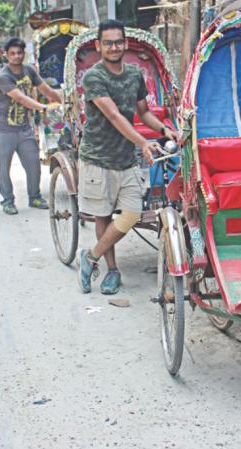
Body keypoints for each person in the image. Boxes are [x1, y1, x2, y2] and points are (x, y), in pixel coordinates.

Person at [76, 19, 178, 295]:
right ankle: (112, 271)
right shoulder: (94, 77)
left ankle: (91, 256)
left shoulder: (134, 75)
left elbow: (143, 112)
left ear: (125, 44)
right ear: (98, 46)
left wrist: (165, 130)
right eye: (107, 42)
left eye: (118, 42)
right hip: (97, 158)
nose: (113, 47)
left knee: (132, 214)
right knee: (103, 216)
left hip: (126, 158)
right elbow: (113, 115)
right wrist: (144, 142)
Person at [0, 37, 63, 215]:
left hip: (24, 128)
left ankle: (34, 197)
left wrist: (63, 101)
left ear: (24, 54)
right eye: (12, 53)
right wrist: (44, 107)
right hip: (3, 129)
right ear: (6, 55)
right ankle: (7, 200)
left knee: (33, 164)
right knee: (3, 166)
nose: (16, 56)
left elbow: (46, 89)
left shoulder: (29, 70)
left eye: (19, 53)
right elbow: (20, 98)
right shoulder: (3, 77)